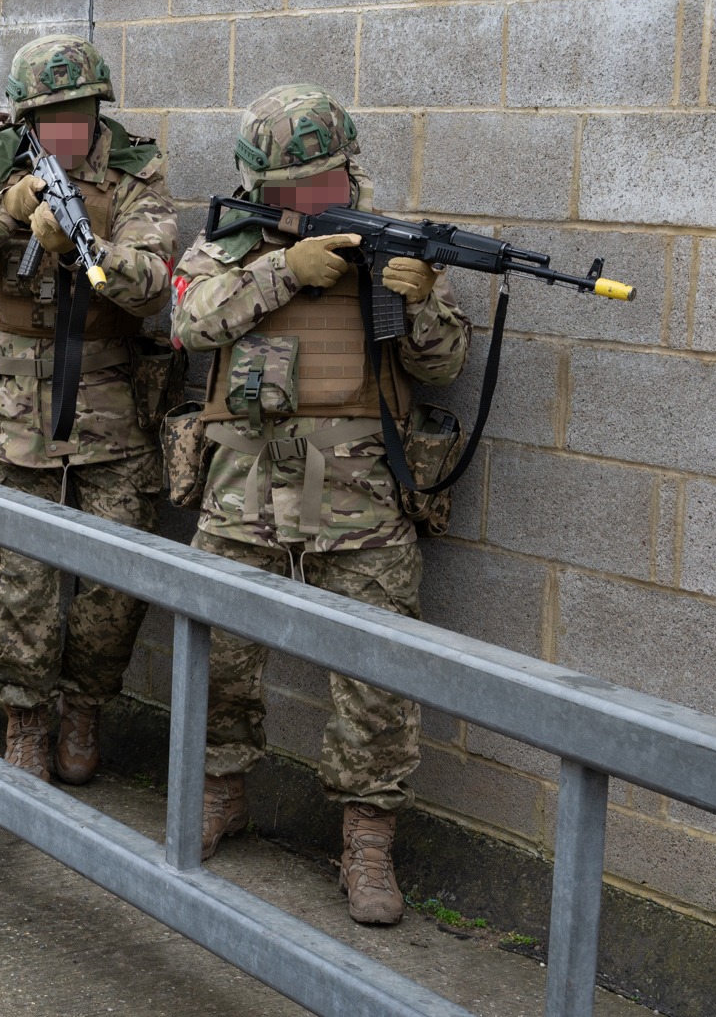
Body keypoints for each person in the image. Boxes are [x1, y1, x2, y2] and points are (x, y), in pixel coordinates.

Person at [169, 84, 471, 925]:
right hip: (243, 490)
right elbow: (189, 323)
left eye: (322, 184)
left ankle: (367, 842)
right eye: (288, 191)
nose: (307, 202)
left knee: (375, 679)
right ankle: (219, 791)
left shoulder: (395, 245)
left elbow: (443, 366)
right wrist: (280, 269)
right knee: (221, 656)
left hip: (363, 500)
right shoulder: (228, 242)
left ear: (349, 172)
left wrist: (415, 300)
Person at [0, 34, 179, 781]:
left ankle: (84, 709)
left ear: (98, 108)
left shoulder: (136, 170)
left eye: (78, 114)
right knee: (21, 581)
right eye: (50, 117)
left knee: (115, 584)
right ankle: (27, 720)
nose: (65, 131)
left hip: (110, 411)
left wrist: (84, 247)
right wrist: (7, 213)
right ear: (29, 119)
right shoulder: (1, 165)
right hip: (12, 413)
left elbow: (156, 280)